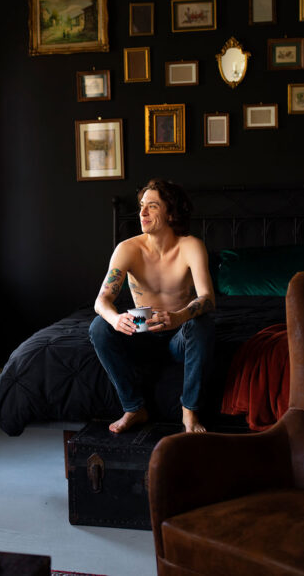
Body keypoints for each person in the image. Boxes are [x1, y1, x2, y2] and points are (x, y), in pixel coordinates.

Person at [89, 178, 215, 434]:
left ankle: (189, 411)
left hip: (178, 335)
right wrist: (115, 320)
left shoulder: (191, 246)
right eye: (142, 206)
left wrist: (180, 317)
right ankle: (134, 407)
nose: (143, 213)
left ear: (171, 213)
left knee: (202, 324)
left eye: (153, 206)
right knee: (98, 328)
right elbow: (101, 301)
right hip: (141, 336)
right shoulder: (128, 249)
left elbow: (208, 298)